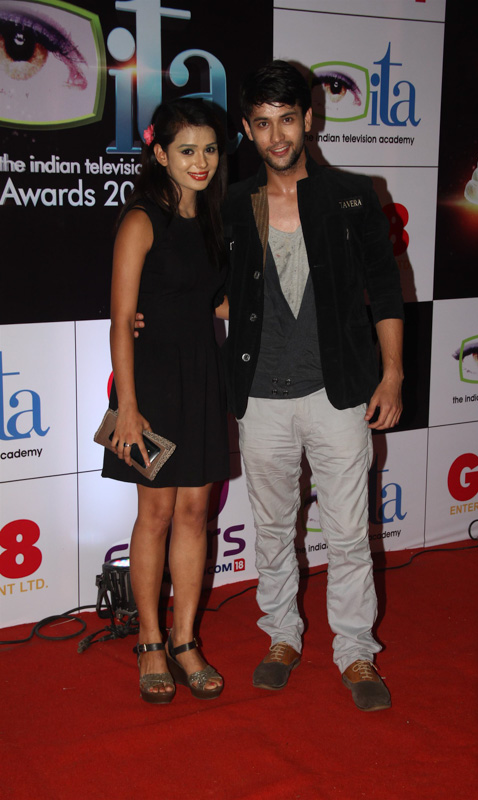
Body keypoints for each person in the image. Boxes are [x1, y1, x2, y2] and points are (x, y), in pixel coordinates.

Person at [222, 61, 404, 711]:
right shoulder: (231, 203)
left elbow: (385, 290)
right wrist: (150, 312)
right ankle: (281, 636)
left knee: (349, 535)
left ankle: (354, 649)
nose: (276, 136)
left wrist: (391, 374)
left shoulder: (352, 194)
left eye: (287, 120)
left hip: (339, 395)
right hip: (260, 397)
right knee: (273, 530)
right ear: (248, 128)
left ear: (308, 120)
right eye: (262, 124)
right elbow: (208, 286)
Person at [102, 98, 229, 704]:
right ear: (159, 153)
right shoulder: (141, 220)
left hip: (202, 376)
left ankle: (185, 640)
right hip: (151, 384)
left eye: (209, 149)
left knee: (196, 512)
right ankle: (150, 639)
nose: (200, 161)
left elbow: (216, 302)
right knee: (154, 514)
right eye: (186, 150)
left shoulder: (213, 220)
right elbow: (121, 319)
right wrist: (128, 407)